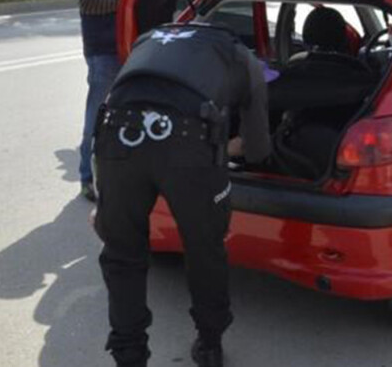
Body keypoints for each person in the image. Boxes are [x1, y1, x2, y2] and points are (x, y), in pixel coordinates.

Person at [92, 22, 273, 367]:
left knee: (122, 255)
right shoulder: (241, 56)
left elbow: (126, 91)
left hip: (116, 134)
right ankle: (209, 344)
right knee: (204, 248)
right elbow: (258, 148)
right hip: (187, 144)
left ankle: (128, 356)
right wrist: (230, 147)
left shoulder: (149, 39)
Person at [75, 0, 155, 201]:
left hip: (139, 48)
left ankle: (130, 175)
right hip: (105, 50)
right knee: (97, 117)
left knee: (136, 115)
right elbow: (88, 3)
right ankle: (87, 178)